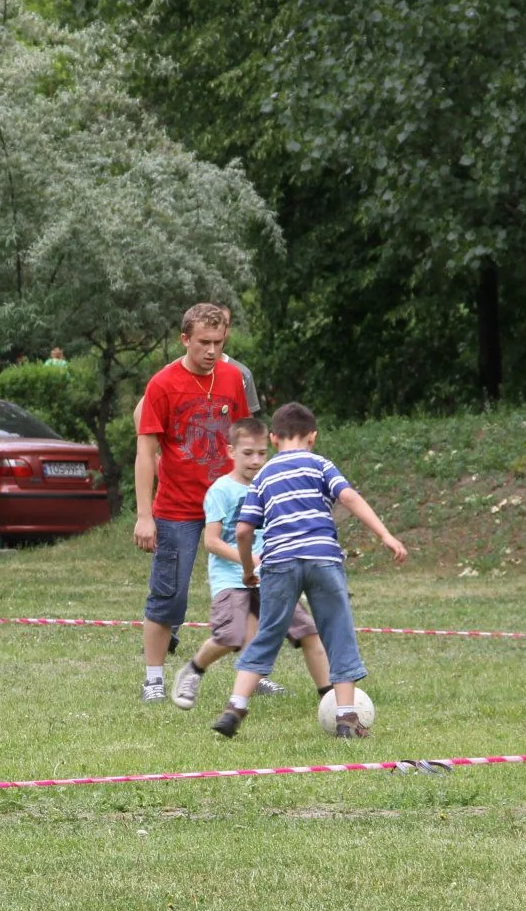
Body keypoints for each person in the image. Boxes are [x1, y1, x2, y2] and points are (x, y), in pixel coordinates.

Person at [213, 402, 407, 739]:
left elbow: (243, 531)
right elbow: (348, 497)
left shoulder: (263, 476)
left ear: (273, 438)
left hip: (278, 563)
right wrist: (385, 535)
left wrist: (247, 569)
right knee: (338, 631)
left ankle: (236, 706)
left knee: (268, 633)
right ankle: (346, 717)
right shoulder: (321, 465)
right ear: (313, 437)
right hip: (323, 559)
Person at [171, 416, 334, 710]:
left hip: (274, 575)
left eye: (261, 453)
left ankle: (330, 697)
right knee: (230, 637)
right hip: (232, 580)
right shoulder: (221, 491)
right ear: (231, 452)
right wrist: (250, 560)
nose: (256, 460)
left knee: (308, 632)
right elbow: (212, 541)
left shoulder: (271, 483)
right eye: (248, 453)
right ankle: (194, 669)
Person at [134, 303, 251, 701]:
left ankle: (254, 669)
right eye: (204, 342)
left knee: (249, 586)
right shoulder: (163, 384)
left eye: (219, 342)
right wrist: (144, 515)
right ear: (185, 339)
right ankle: (154, 679)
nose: (212, 350)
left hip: (230, 504)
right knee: (170, 594)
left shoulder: (234, 378)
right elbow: (146, 453)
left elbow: (245, 443)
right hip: (177, 508)